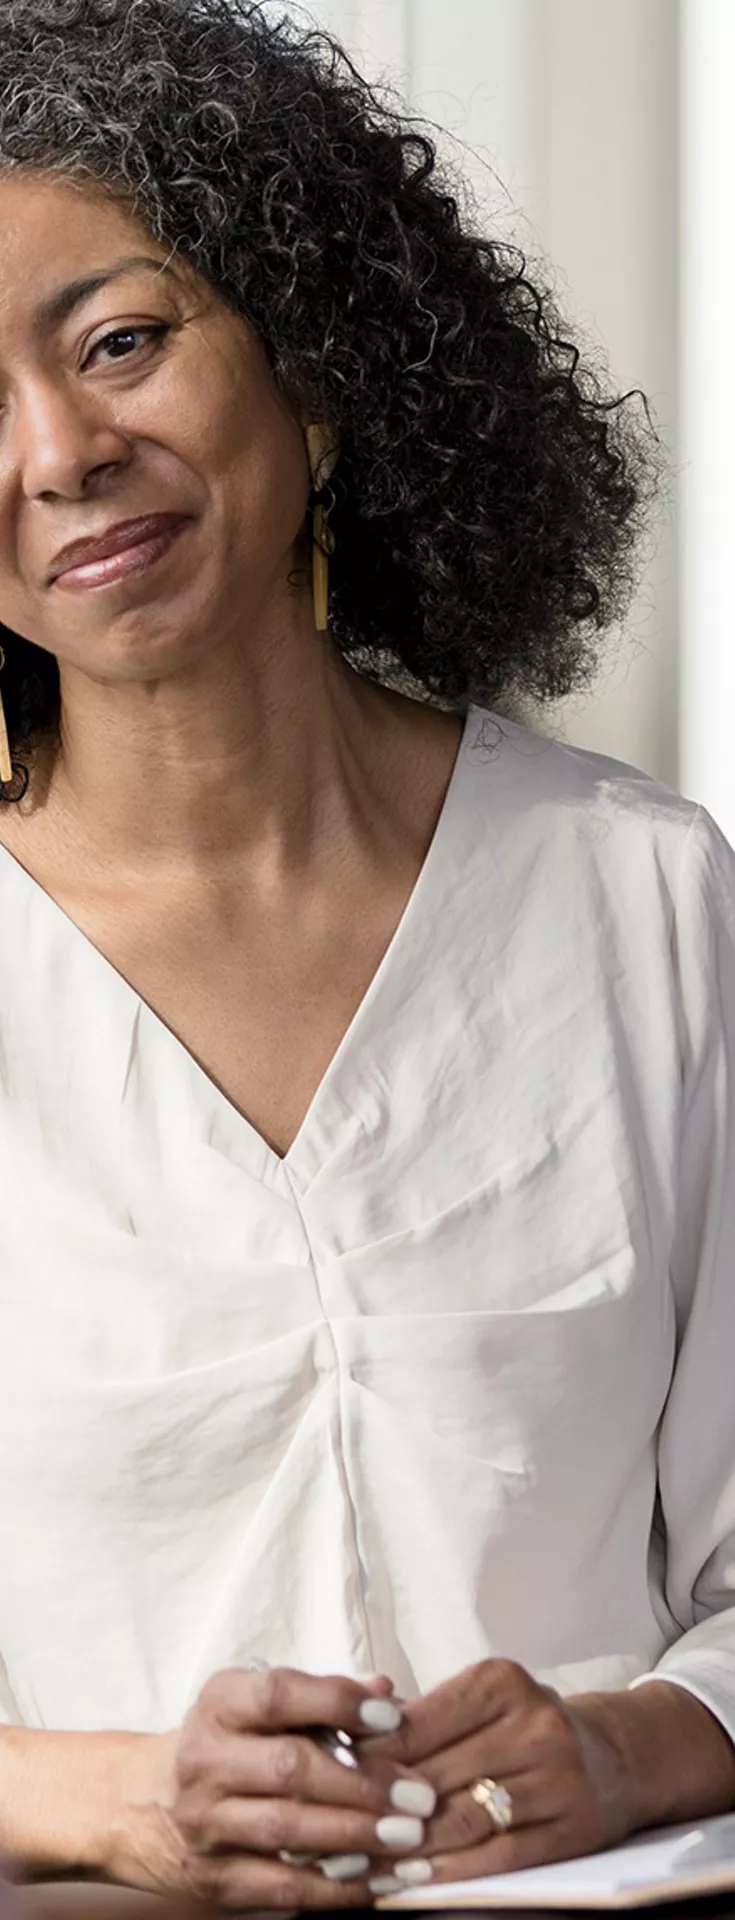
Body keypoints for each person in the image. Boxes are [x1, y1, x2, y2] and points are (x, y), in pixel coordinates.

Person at [0, 0, 734, 1908]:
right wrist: (112, 1798)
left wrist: (632, 1740)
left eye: (124, 341)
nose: (61, 450)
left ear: (313, 365)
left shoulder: (642, 898)